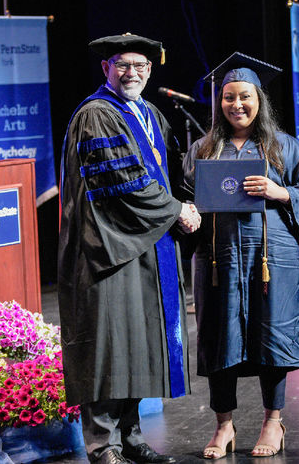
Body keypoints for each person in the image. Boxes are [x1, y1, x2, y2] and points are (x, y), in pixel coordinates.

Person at [57, 33, 201, 464]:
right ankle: (103, 445)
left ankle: (130, 436)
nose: (132, 73)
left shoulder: (150, 112)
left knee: (138, 341)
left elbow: (169, 171)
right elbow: (121, 181)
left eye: (140, 66)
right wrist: (177, 210)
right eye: (122, 65)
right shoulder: (97, 115)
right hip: (106, 246)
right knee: (109, 341)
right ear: (106, 69)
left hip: (144, 243)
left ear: (151, 70)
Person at [181, 52, 299, 459]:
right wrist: (187, 215)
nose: (236, 105)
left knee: (272, 335)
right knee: (217, 334)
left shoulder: (284, 147)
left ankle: (273, 422)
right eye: (228, 97)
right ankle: (223, 426)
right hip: (218, 259)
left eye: (245, 96)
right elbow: (184, 199)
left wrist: (280, 192)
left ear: (259, 100)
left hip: (271, 258)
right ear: (219, 102)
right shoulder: (203, 148)